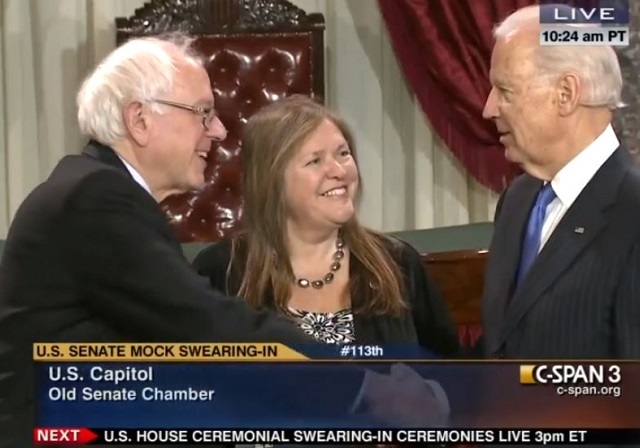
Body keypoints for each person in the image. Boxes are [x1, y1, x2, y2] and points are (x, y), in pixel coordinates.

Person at [0, 35, 446, 446]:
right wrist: (363, 386)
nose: (217, 131)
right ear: (139, 120)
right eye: (202, 113)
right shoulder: (97, 198)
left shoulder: (97, 190)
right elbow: (207, 326)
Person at [193, 95, 459, 358]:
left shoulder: (398, 263)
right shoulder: (220, 272)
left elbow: (452, 375)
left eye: (343, 153)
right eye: (315, 161)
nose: (339, 171)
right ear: (271, 181)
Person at [480, 4, 640, 359]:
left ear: (565, 94)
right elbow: (502, 347)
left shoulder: (633, 215)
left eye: (504, 90)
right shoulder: (517, 201)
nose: (488, 108)